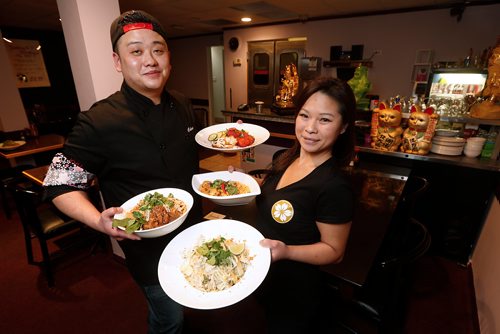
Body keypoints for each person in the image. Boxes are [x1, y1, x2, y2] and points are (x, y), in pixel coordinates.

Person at [42, 10, 202, 334]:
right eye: (136, 51)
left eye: (158, 49)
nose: (151, 60)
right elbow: (58, 184)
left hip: (192, 231)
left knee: (193, 294)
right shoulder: (98, 121)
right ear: (118, 62)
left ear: (169, 57)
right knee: (170, 318)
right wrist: (97, 220)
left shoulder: (184, 104)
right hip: (146, 249)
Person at [254, 77, 355, 333]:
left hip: (295, 289)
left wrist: (286, 251)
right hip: (266, 276)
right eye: (304, 115)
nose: (310, 128)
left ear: (343, 127)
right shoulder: (285, 158)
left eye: (324, 120)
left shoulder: (334, 185)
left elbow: (334, 250)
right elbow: (279, 193)